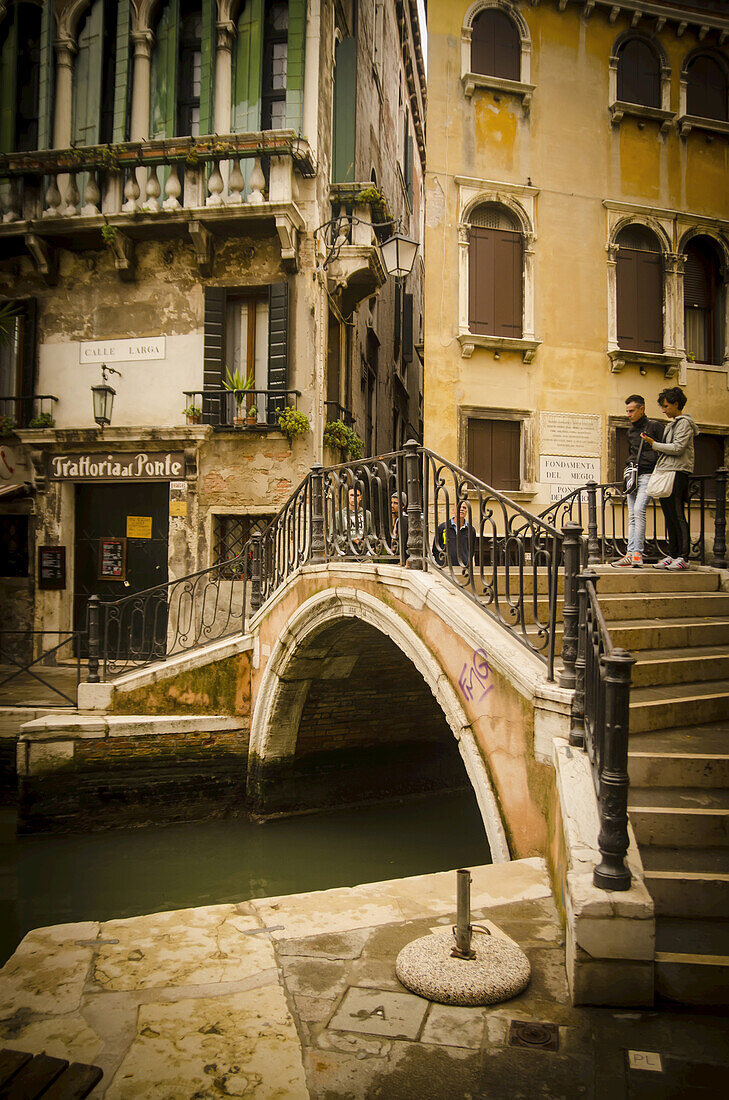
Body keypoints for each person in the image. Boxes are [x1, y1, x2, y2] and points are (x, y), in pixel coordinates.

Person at [641, 386, 699, 571]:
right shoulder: (672, 424)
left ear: (676, 404)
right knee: (669, 515)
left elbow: (678, 448)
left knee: (677, 514)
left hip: (678, 472)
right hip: (668, 472)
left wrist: (654, 444)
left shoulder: (684, 423)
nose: (664, 410)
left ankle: (683, 557)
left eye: (666, 406)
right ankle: (673, 555)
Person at [612, 394, 663, 568]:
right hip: (633, 476)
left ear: (642, 409)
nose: (628, 414)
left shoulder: (655, 426)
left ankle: (637, 555)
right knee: (632, 515)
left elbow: (664, 451)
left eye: (632, 411)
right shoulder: (630, 431)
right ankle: (630, 553)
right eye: (627, 411)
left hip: (648, 475)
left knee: (639, 511)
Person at [432, 499, 475, 568]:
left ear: (467, 511)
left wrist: (466, 560)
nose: (461, 509)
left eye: (464, 508)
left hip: (463, 567)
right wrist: (440, 562)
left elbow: (471, 549)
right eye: (459, 507)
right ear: (453, 510)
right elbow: (436, 548)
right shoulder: (443, 527)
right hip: (446, 566)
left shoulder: (471, 530)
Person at [334, 485, 373, 553]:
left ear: (360, 497)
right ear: (347, 497)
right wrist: (351, 539)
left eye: (357, 495)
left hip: (363, 551)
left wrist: (365, 539)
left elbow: (374, 535)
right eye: (351, 495)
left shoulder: (367, 514)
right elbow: (332, 536)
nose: (354, 498)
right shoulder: (339, 514)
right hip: (345, 551)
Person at [391, 492, 409, 559]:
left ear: (403, 506)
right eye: (392, 502)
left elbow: (403, 542)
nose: (392, 505)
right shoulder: (397, 519)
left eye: (396, 503)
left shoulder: (403, 520)